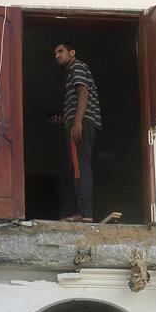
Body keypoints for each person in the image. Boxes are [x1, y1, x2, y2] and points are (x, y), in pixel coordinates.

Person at [53, 43, 102, 223]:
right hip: (80, 122)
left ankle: (84, 214)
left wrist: (77, 122)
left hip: (82, 124)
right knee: (78, 167)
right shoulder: (73, 71)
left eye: (61, 51)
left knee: (79, 169)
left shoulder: (77, 66)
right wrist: (66, 119)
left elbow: (83, 92)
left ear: (72, 52)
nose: (57, 55)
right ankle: (83, 212)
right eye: (55, 53)